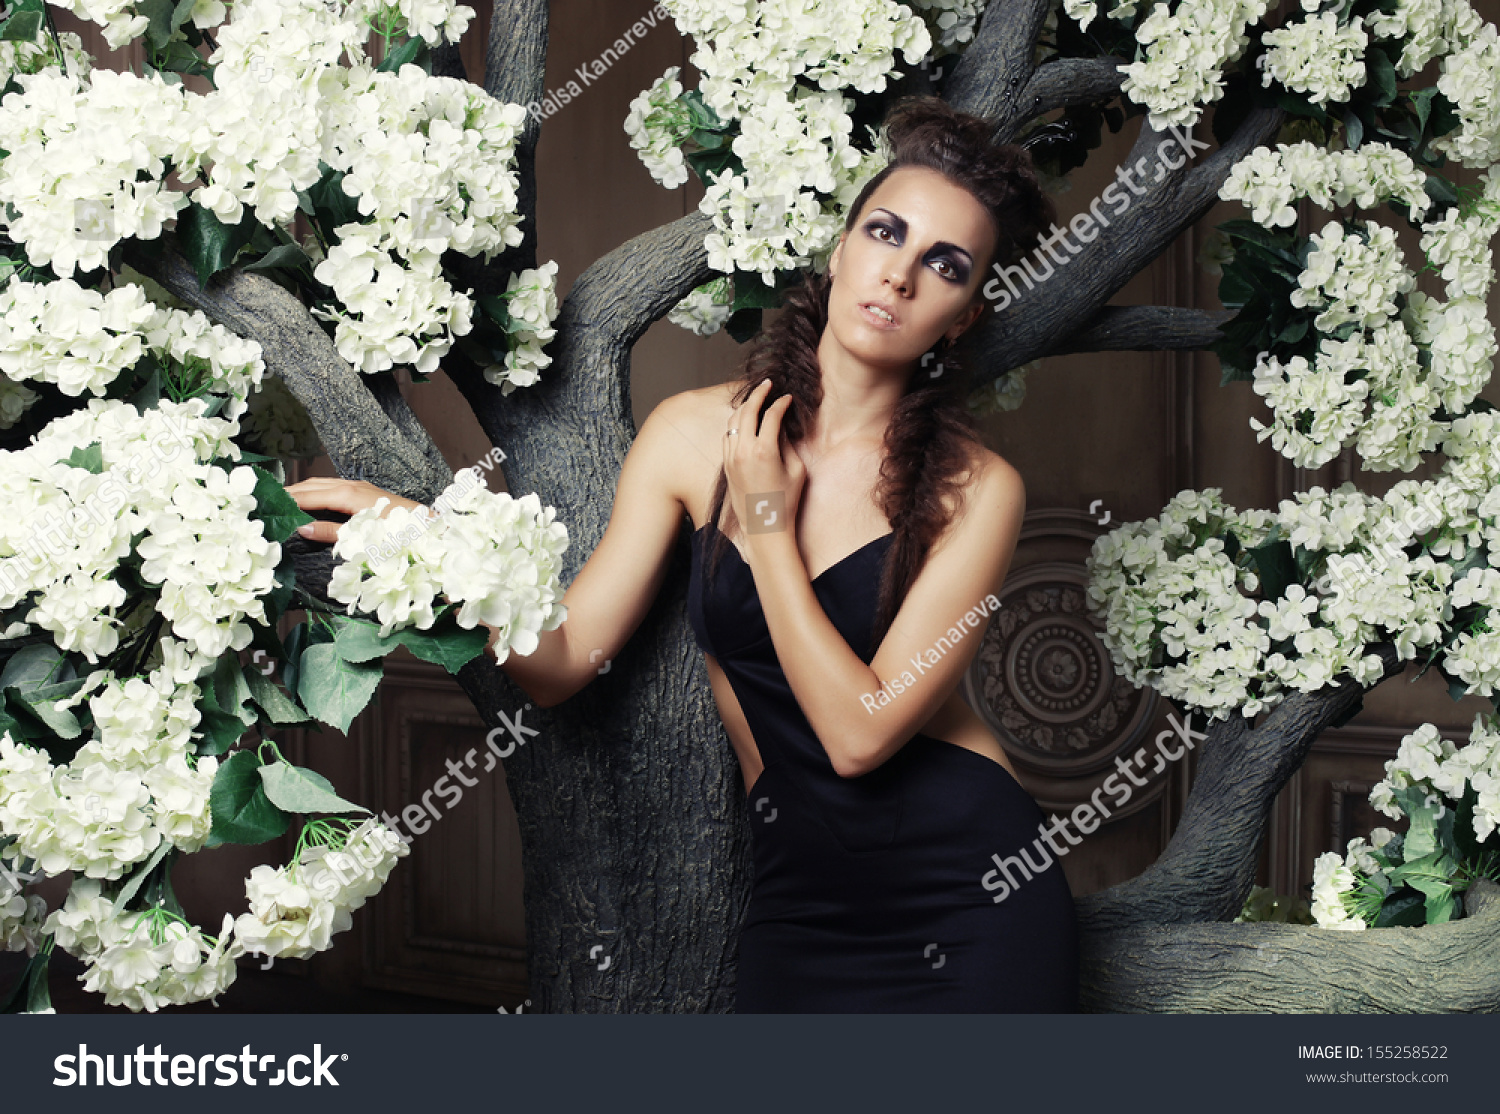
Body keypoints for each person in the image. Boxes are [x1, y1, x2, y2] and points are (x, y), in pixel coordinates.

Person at [287, 94, 1079, 1012]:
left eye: (944, 264)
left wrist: (769, 522)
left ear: (964, 316)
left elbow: (861, 736)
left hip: (971, 893)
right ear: (840, 248)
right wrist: (423, 541)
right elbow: (562, 662)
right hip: (803, 897)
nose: (899, 276)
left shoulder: (978, 491)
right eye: (885, 232)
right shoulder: (688, 435)